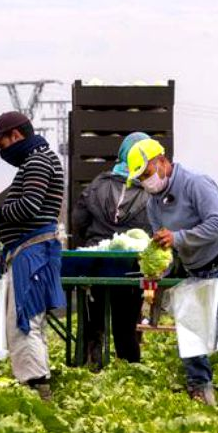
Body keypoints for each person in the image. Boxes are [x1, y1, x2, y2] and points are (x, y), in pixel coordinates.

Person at [126, 137, 218, 411]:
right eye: (140, 179)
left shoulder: (196, 183)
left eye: (147, 174)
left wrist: (178, 237)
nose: (146, 183)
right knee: (191, 333)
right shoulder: (153, 204)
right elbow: (168, 244)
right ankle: (201, 398)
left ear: (162, 162)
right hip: (197, 269)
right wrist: (160, 264)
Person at [0, 111, 65, 401]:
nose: (2, 151)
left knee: (24, 323)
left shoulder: (38, 161)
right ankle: (37, 388)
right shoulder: (37, 160)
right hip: (31, 250)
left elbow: (28, 207)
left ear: (15, 136)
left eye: (1, 144)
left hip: (32, 252)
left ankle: (38, 392)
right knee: (28, 322)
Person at [72, 130, 151, 365]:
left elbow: (79, 221)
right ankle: (130, 374)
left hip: (95, 266)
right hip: (130, 269)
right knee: (126, 328)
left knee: (92, 323)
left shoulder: (99, 183)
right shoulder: (149, 192)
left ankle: (91, 365)